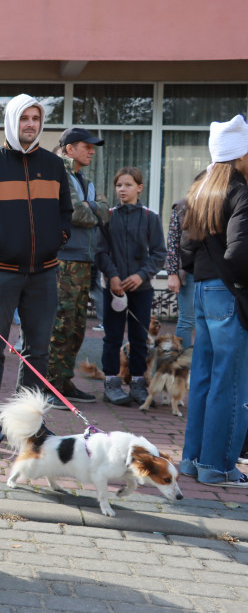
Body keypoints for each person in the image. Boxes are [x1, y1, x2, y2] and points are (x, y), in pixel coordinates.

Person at [0, 95, 73, 412]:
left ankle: (26, 416)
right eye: (24, 118)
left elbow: (66, 212)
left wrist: (59, 237)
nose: (31, 124)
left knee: (38, 349)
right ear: (12, 121)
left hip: (44, 272)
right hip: (1, 272)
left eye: (36, 119)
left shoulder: (55, 166)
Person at [179, 114, 248, 488]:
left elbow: (186, 248)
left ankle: (192, 461)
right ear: (241, 153)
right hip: (230, 292)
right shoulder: (240, 191)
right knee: (231, 384)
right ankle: (219, 467)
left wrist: (204, 270)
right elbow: (240, 251)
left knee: (203, 379)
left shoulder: (201, 187)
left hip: (203, 291)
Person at [96, 167, 166, 405]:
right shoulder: (108, 216)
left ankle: (138, 383)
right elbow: (101, 251)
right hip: (114, 288)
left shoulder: (150, 217)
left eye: (127, 185)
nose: (122, 189)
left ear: (139, 187)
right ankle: (111, 383)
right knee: (112, 336)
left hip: (141, 289)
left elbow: (159, 254)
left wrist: (141, 275)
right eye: (119, 185)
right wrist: (113, 276)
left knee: (139, 337)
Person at [47, 128, 107, 405]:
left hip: (84, 261)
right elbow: (77, 214)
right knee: (61, 324)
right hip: (64, 261)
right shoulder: (58, 173)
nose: (92, 151)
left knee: (77, 326)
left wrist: (91, 205)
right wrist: (92, 208)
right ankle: (50, 385)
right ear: (69, 149)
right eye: (87, 146)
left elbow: (105, 212)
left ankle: (64, 380)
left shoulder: (85, 180)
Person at [166, 197, 195, 347]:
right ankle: (180, 366)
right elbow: (172, 241)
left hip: (214, 271)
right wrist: (172, 273)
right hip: (188, 271)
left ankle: (202, 367)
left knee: (209, 323)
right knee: (187, 320)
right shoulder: (182, 206)